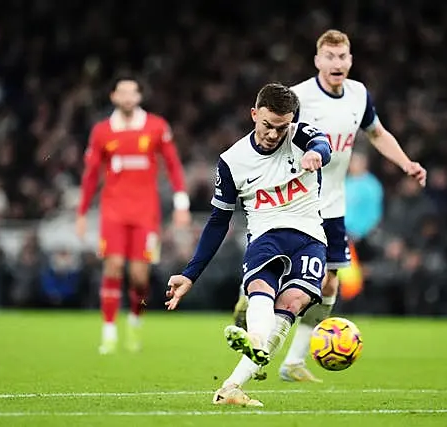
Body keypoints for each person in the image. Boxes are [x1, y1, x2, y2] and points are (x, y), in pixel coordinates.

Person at [232, 29, 427, 382]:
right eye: (330, 57)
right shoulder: (300, 97)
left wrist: (406, 163)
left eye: (343, 57)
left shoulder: (358, 95)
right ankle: (257, 322)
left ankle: (292, 362)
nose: (337, 63)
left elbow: (378, 133)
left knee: (328, 285)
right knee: (285, 278)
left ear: (350, 60)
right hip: (296, 202)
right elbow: (270, 139)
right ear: (318, 60)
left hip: (334, 205)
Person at [165, 83, 332, 406]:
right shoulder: (232, 161)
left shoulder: (299, 136)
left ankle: (230, 387)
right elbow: (217, 222)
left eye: (281, 127)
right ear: (254, 114)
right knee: (261, 286)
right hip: (266, 233)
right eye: (267, 125)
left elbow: (321, 144)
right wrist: (191, 274)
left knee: (294, 303)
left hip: (310, 236)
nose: (273, 134)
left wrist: (315, 153)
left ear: (292, 121)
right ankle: (255, 336)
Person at [76, 76, 191, 355]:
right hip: (113, 212)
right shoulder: (102, 131)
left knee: (140, 277)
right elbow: (91, 175)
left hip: (145, 214)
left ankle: (136, 319)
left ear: (139, 97)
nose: (128, 97)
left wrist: (181, 202)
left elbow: (173, 165)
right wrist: (81, 211)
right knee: (113, 267)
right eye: (122, 92)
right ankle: (109, 331)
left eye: (133, 92)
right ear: (114, 96)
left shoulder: (156, 126)